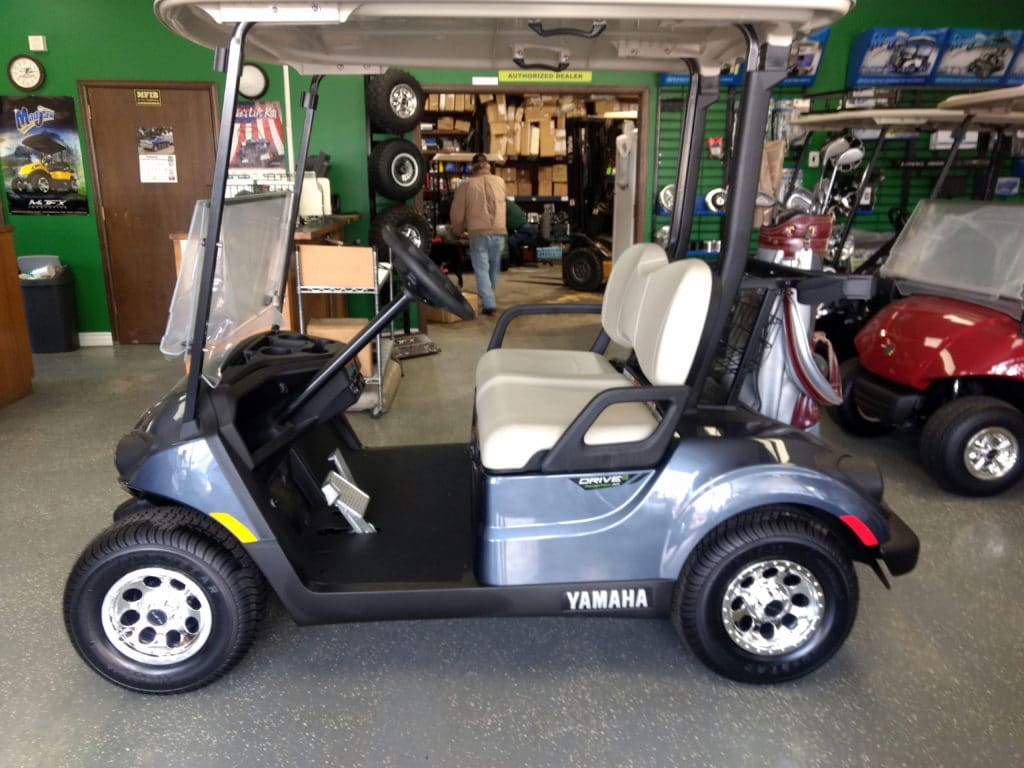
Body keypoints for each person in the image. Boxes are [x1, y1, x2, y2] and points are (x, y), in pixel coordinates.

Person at [449, 153, 507, 315]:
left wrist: (457, 230)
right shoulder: (500, 182)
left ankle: (488, 303)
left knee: (482, 268)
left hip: (478, 233)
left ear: (472, 167)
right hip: (499, 231)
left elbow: (457, 213)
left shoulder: (466, 185)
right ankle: (489, 297)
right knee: (494, 267)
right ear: (488, 165)